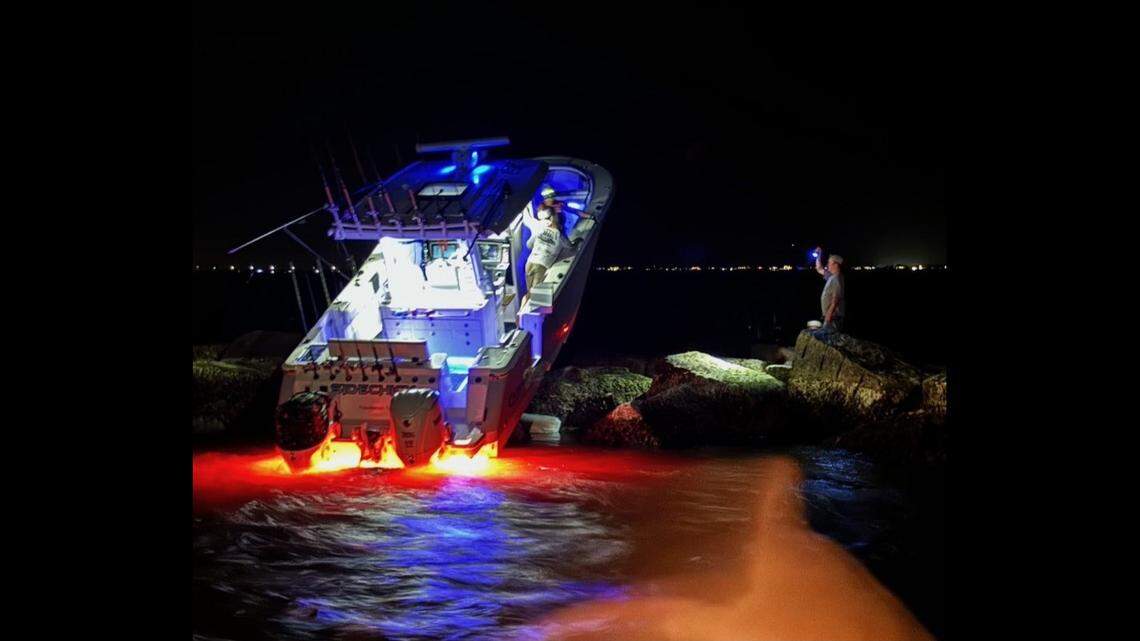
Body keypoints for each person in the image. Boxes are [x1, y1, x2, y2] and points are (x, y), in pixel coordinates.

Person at [520, 187, 571, 309]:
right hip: (541, 265)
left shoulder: (538, 226)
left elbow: (529, 243)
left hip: (530, 263)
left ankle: (520, 317)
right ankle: (529, 321)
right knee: (538, 299)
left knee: (529, 293)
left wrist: (524, 201)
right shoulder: (559, 234)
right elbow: (569, 246)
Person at [814, 247, 846, 332]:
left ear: (836, 265)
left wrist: (827, 320)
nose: (827, 265)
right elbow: (819, 268)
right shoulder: (831, 276)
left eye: (829, 263)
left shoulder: (837, 278)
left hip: (833, 318)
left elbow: (835, 300)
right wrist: (819, 255)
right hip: (831, 317)